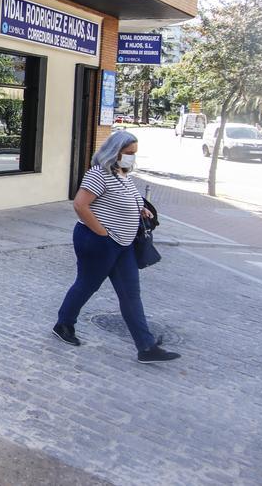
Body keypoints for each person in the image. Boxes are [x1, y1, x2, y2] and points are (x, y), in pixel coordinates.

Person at [52, 131, 180, 364]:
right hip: (98, 242)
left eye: (134, 154)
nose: (131, 157)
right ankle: (64, 324)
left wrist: (141, 209)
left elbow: (126, 199)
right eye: (128, 153)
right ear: (115, 151)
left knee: (131, 295)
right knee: (86, 285)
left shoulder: (121, 174)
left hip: (123, 245)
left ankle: (146, 347)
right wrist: (103, 234)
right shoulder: (98, 174)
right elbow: (80, 205)